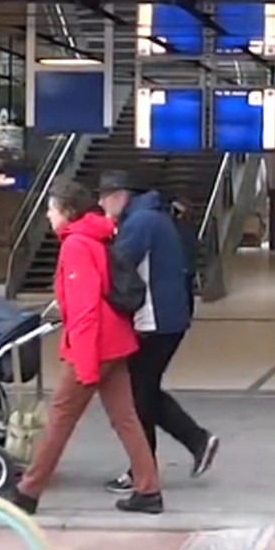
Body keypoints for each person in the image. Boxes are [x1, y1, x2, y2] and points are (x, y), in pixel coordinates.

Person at [10, 179, 165, 514]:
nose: (48, 216)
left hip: (93, 346)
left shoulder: (76, 246)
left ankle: (28, 490)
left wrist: (84, 364)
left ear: (66, 210)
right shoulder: (97, 236)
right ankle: (148, 489)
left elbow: (84, 310)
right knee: (126, 417)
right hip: (116, 341)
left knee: (61, 418)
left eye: (51, 209)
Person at [95, 172, 220, 495]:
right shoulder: (152, 216)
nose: (100, 203)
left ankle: (151, 466)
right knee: (144, 393)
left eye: (104, 196)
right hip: (168, 319)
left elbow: (116, 267)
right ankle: (188, 445)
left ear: (120, 195)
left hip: (155, 322)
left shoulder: (139, 224)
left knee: (138, 397)